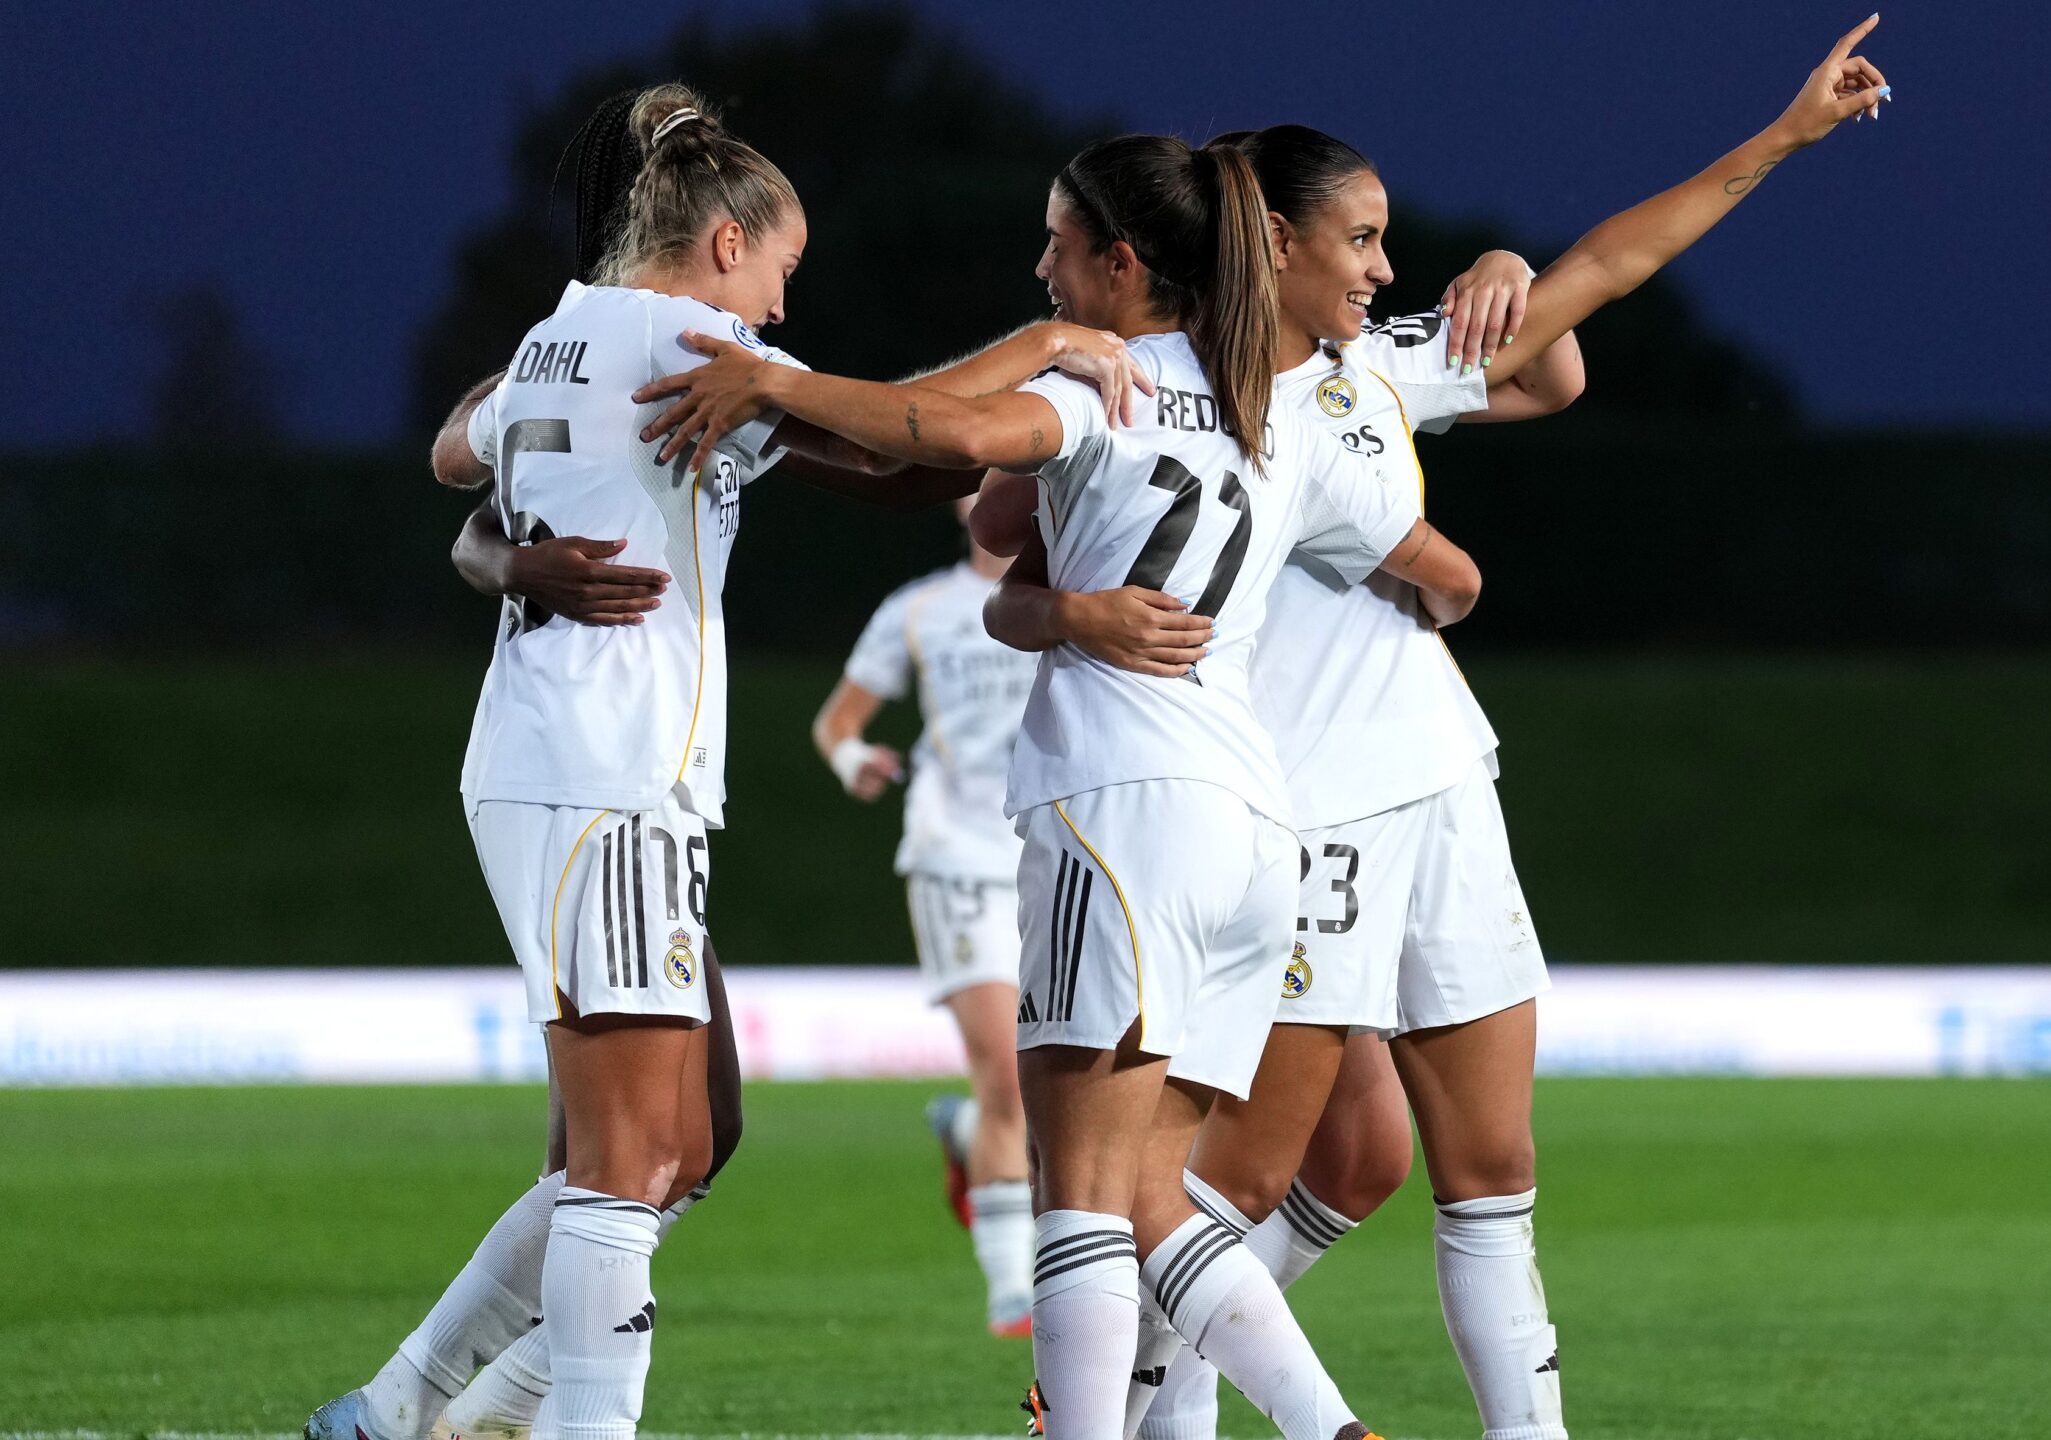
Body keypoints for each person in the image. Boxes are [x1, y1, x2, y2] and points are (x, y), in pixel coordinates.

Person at [979, 22, 1894, 1440]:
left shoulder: (1372, 366)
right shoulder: (1178, 388)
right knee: (1243, 1175)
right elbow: (1014, 539)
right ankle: (1151, 1400)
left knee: (1481, 1167)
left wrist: (1772, 142)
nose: (1384, 267)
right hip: (1303, 807)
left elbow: (1585, 305)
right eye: (1360, 239)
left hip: (1442, 781)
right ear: (1272, 242)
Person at [305, 83, 1146, 1440]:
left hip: (572, 763)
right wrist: (1050, 347)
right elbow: (903, 460)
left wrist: (504, 551)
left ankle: (402, 1408)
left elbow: (458, 455)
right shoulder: (685, 338)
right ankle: (489, 1418)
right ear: (724, 244)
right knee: (632, 1156)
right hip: (607, 767)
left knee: (694, 1131)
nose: (779, 311)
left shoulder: (556, 336)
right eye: (779, 272)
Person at [632, 132, 1482, 1440]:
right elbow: (1013, 560)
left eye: (1060, 244)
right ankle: (1334, 1431)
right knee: (1155, 1201)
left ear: (1123, 262)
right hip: (1253, 828)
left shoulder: (1110, 382)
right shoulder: (1284, 401)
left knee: (1077, 1196)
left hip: (1121, 805)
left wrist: (773, 385)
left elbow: (953, 435)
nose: (1043, 268)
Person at [811, 494, 1043, 1336]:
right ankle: (1014, 1290)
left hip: (1060, 854)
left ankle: (970, 1133)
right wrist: (851, 759)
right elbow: (837, 722)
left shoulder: (1084, 591)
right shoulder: (920, 610)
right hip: (958, 857)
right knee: (1010, 1075)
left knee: (1058, 1078)